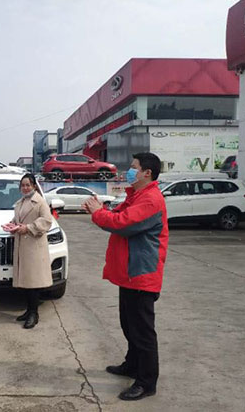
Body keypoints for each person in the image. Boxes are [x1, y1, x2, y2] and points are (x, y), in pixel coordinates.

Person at [83, 152, 168, 401]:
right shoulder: (137, 195)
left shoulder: (151, 199)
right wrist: (101, 210)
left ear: (147, 173)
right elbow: (117, 215)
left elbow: (122, 224)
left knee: (142, 332)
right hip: (130, 274)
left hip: (141, 274)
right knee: (129, 325)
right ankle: (132, 365)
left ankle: (146, 382)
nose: (129, 171)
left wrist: (98, 213)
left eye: (133, 167)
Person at [3, 173, 53, 329]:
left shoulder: (40, 202)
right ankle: (29, 310)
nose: (25, 188)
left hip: (34, 246)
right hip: (22, 246)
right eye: (23, 185)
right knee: (25, 281)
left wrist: (28, 228)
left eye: (28, 185)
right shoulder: (21, 202)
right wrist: (12, 225)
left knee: (33, 282)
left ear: (34, 186)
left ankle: (34, 314)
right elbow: (18, 219)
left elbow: (46, 221)